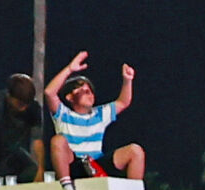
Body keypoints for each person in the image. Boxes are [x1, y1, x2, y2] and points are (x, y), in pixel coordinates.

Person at [40, 50, 143, 182]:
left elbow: (123, 102)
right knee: (58, 140)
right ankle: (67, 189)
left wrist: (128, 80)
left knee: (135, 151)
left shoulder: (99, 114)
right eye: (82, 90)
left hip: (96, 165)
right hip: (74, 166)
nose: (88, 93)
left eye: (90, 91)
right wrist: (70, 69)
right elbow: (49, 92)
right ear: (70, 97)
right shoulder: (63, 114)